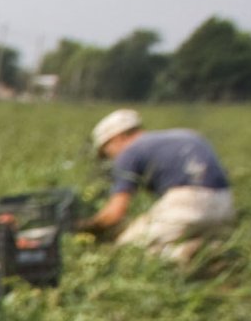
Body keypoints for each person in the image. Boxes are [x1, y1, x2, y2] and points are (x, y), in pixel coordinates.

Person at [80, 109, 234, 260]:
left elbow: (115, 214)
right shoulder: (187, 135)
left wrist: (86, 226)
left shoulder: (129, 152)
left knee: (128, 250)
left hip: (185, 204)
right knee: (182, 233)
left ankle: (182, 253)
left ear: (117, 138)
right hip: (225, 204)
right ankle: (214, 249)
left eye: (106, 151)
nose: (110, 157)